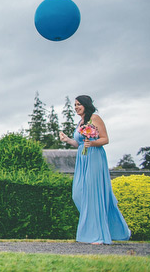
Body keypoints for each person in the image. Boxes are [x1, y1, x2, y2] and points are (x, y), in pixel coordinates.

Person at [59, 95, 130, 244]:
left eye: (79, 104)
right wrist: (67, 140)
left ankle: (97, 235)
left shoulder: (95, 118)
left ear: (86, 105)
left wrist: (92, 143)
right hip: (82, 160)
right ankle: (106, 229)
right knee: (78, 194)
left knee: (93, 194)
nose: (76, 107)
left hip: (95, 158)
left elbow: (105, 139)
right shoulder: (80, 122)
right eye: (75, 105)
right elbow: (79, 143)